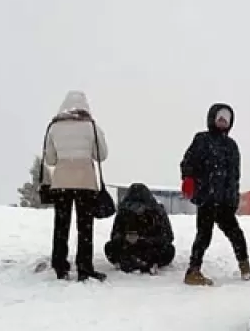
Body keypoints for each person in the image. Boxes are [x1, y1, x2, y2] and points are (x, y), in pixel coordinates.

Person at [180, 102, 250, 285]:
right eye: (219, 118)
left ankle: (245, 266)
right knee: (204, 235)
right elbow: (188, 162)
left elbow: (234, 176)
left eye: (226, 119)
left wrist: (233, 199)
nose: (222, 121)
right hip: (207, 199)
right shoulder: (202, 139)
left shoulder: (232, 146)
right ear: (212, 119)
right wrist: (188, 178)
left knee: (236, 234)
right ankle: (193, 271)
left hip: (225, 201)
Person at [42, 90, 109, 281]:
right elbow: (102, 155)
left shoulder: (54, 127)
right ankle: (84, 267)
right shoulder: (91, 126)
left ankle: (60, 265)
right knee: (85, 228)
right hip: (85, 182)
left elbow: (50, 159)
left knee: (61, 226)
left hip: (61, 182)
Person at [104, 183, 175, 274]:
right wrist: (125, 238)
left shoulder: (157, 212)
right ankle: (140, 263)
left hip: (151, 248)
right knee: (109, 247)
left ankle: (137, 262)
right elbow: (114, 235)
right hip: (128, 247)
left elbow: (168, 237)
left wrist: (145, 239)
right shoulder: (124, 212)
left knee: (169, 250)